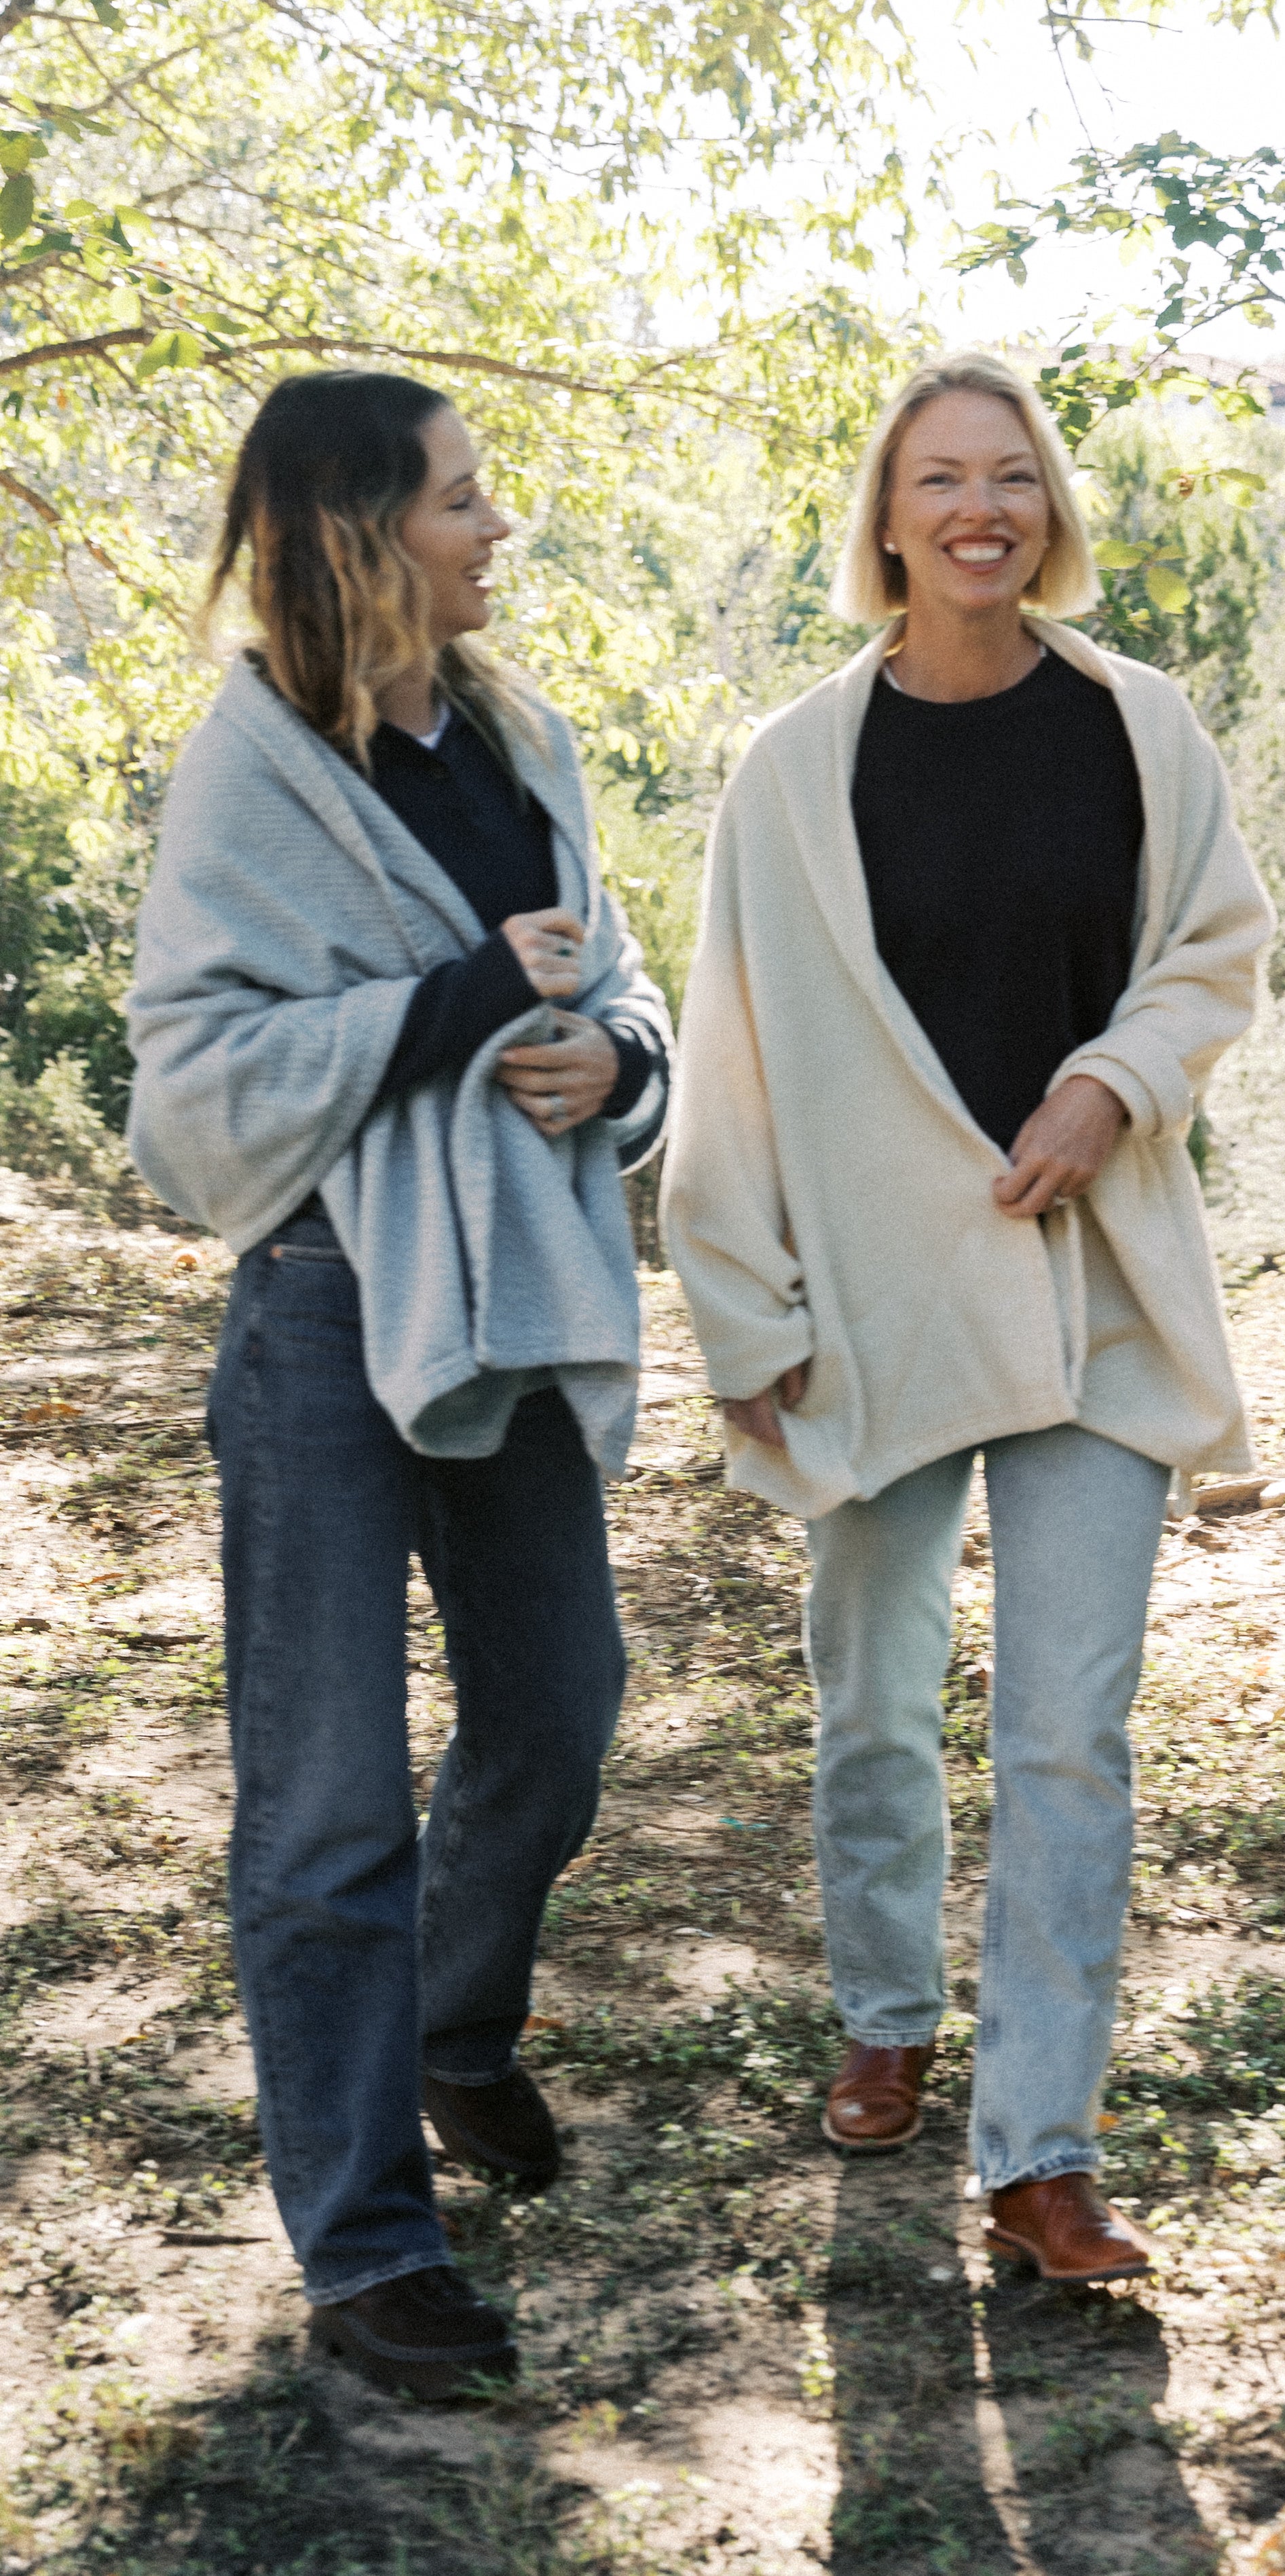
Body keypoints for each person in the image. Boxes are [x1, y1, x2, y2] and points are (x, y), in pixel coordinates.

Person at [663, 352, 1271, 2282]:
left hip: (1094, 1289)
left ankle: (1042, 2150)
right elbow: (734, 1059)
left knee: (1069, 1731)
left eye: (1011, 475)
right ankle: (885, 2009)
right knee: (872, 1699)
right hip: (873, 1303)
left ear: (1050, 507)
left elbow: (1217, 951)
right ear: (888, 514)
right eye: (939, 478)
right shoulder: (793, 768)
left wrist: (1115, 1085)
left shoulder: (1139, 726)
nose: (979, 509)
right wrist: (743, 1304)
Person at [127, 370, 672, 2397]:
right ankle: (367, 2244)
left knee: (560, 1707)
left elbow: (613, 976)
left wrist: (621, 1068)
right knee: (329, 1799)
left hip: (508, 1295)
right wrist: (457, 1004)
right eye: (461, 497)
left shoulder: (519, 735)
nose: (494, 525)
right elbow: (188, 1097)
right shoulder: (251, 777)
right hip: (321, 1314)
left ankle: (453, 2026)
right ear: (361, 534)